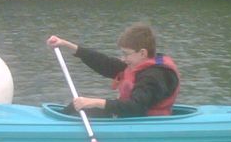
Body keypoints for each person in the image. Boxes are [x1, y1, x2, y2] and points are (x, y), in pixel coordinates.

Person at [46, 23, 179, 117]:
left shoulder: (153, 77)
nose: (123, 58)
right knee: (74, 107)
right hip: (130, 116)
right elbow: (105, 63)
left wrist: (95, 102)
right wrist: (65, 44)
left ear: (143, 53)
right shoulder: (136, 65)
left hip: (142, 120)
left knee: (80, 109)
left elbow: (135, 108)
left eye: (126, 54)